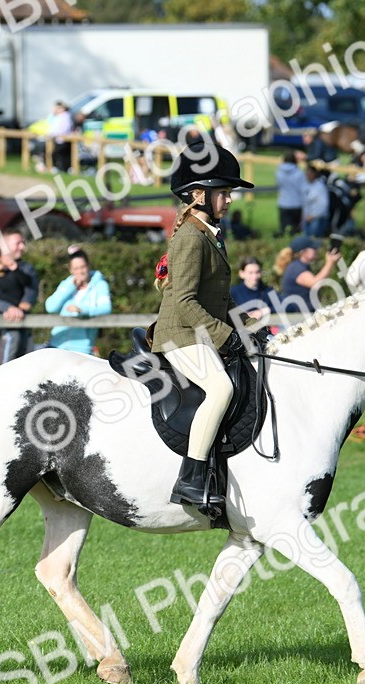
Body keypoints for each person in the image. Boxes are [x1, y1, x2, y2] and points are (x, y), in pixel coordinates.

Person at [152, 139, 255, 510]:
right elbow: (183, 302)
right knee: (221, 389)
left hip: (196, 331)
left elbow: (220, 300)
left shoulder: (210, 236)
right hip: (179, 335)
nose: (229, 200)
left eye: (229, 193)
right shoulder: (190, 239)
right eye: (223, 193)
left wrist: (249, 326)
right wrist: (228, 337)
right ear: (198, 194)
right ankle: (191, 478)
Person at [0, 231, 38, 367]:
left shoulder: (26, 269)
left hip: (20, 325)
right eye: (18, 243)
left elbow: (31, 291)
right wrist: (8, 308)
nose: (22, 247)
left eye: (23, 243)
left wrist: (22, 307)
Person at [44, 249, 112, 354]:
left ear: (88, 266)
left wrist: (82, 310)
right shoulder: (66, 284)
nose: (80, 272)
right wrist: (70, 287)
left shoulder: (99, 285)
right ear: (70, 270)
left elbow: (106, 308)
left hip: (82, 348)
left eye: (82, 267)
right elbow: (50, 307)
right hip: (57, 344)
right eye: (76, 268)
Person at [278, 234, 342, 313]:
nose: (317, 250)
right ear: (303, 252)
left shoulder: (300, 266)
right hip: (296, 317)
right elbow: (316, 283)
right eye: (313, 248)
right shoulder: (296, 268)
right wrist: (329, 263)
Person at [230, 256, 280, 320]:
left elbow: (287, 305)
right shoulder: (233, 292)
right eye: (250, 273)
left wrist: (264, 311)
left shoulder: (268, 291)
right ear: (241, 273)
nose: (255, 276)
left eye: (257, 272)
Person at [274, 150, 306, 236]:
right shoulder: (299, 173)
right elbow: (302, 189)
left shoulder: (279, 172)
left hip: (283, 203)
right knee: (296, 230)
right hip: (296, 203)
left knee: (285, 230)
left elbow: (278, 184)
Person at [301, 165, 330, 237]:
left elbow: (323, 205)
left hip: (318, 219)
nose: (307, 175)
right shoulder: (306, 185)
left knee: (314, 239)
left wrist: (313, 216)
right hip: (307, 218)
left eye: (309, 173)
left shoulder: (320, 187)